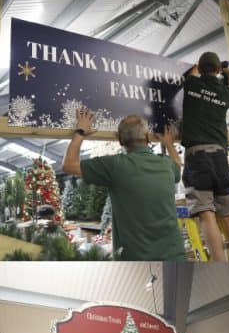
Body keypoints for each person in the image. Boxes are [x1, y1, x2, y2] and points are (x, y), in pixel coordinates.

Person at [61, 109, 186, 261]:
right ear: (147, 137)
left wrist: (80, 131)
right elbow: (177, 166)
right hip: (175, 256)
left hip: (136, 263)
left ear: (120, 141)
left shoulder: (115, 166)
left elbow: (68, 165)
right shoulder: (166, 164)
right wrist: (169, 144)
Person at [181, 52, 229, 261]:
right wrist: (227, 72)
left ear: (201, 69)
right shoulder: (224, 92)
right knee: (228, 213)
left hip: (197, 156)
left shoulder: (192, 84)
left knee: (206, 214)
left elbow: (191, 72)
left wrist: (198, 68)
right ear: (218, 70)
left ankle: (219, 263)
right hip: (220, 157)